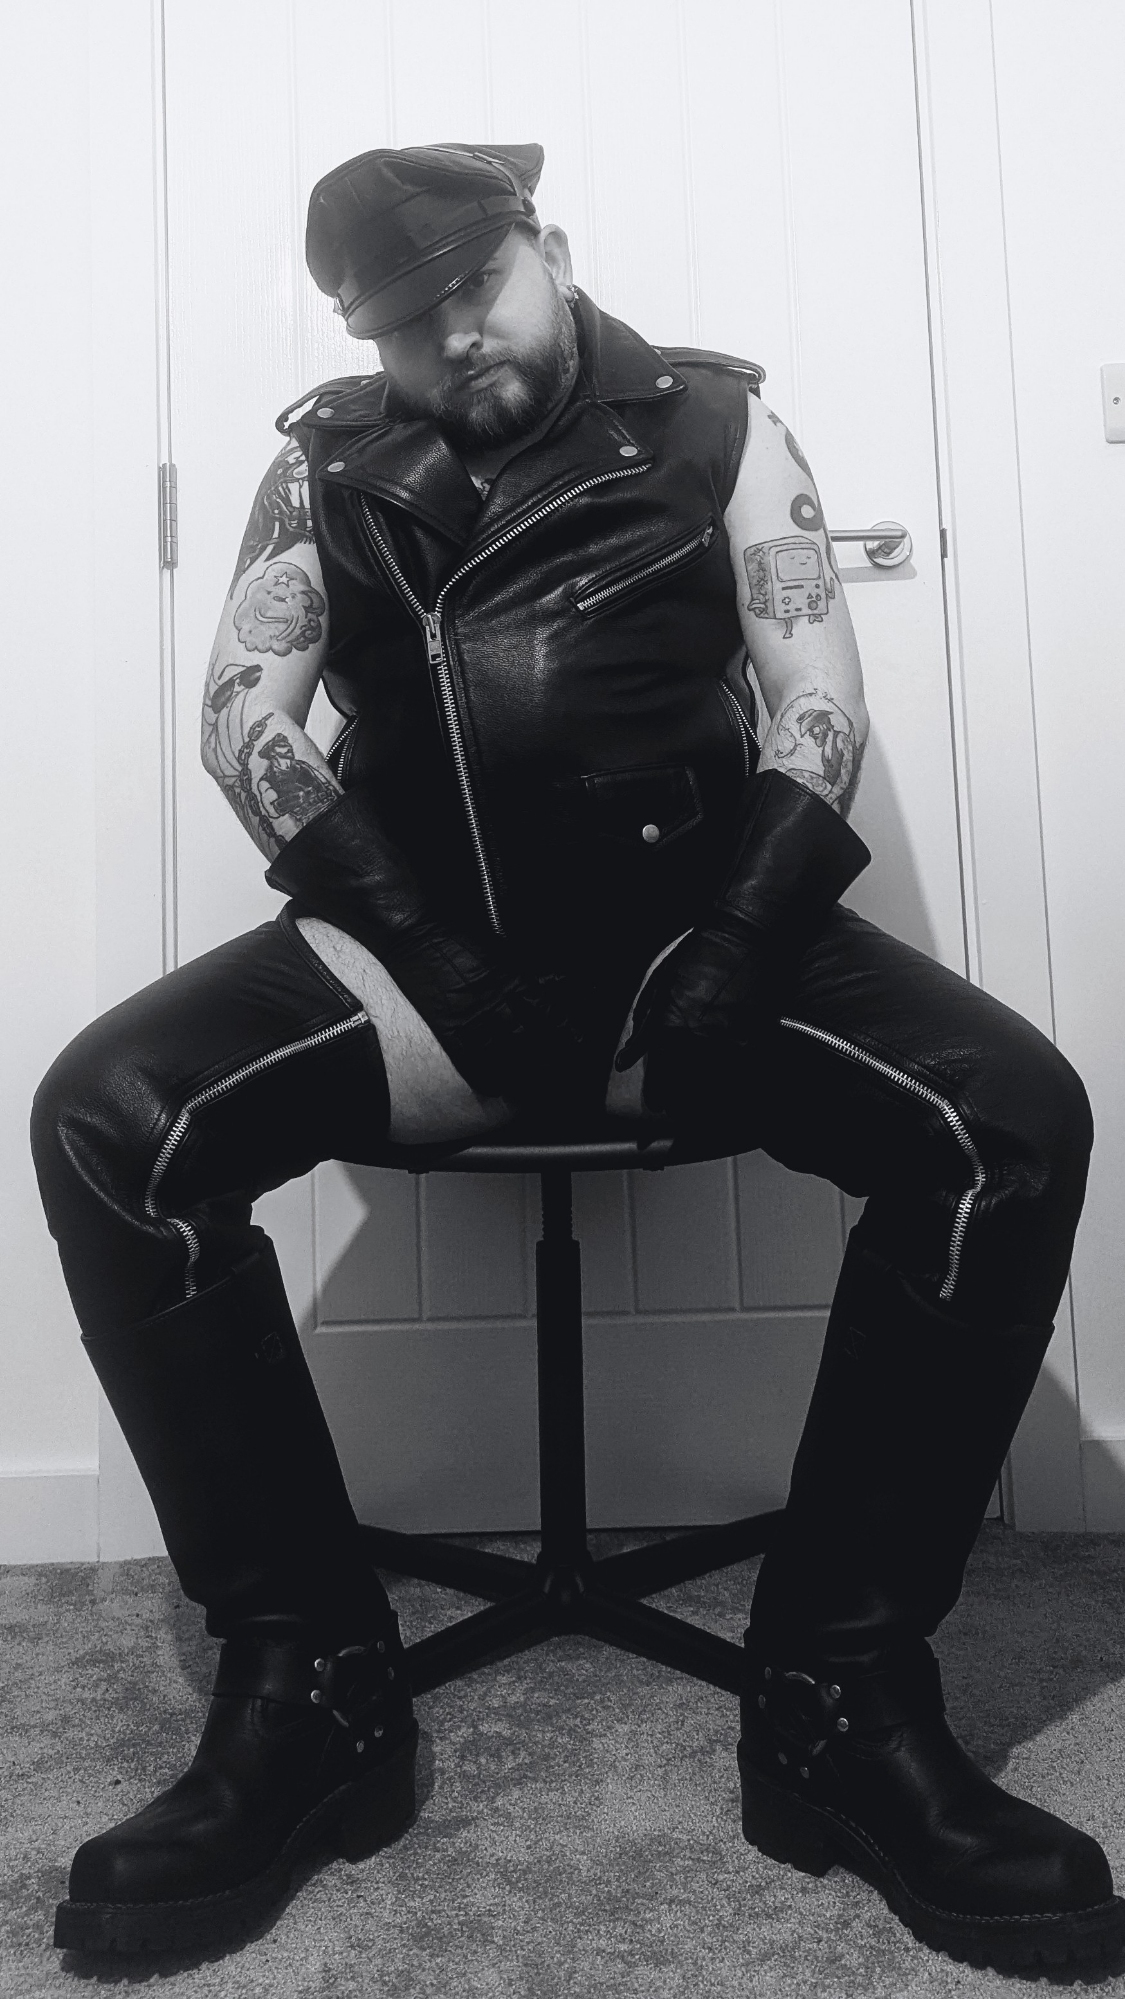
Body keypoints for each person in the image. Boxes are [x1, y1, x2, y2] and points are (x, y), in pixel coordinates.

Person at [31, 142, 1122, 1974]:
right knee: (107, 1121)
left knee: (1008, 1121)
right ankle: (310, 1691)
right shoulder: (321, 462)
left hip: (697, 941)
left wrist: (740, 947)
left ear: (546, 244)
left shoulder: (717, 421)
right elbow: (241, 720)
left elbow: (816, 697)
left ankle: (837, 1701)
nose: (452, 335)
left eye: (475, 284)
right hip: (413, 958)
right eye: (403, 318)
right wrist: (435, 950)